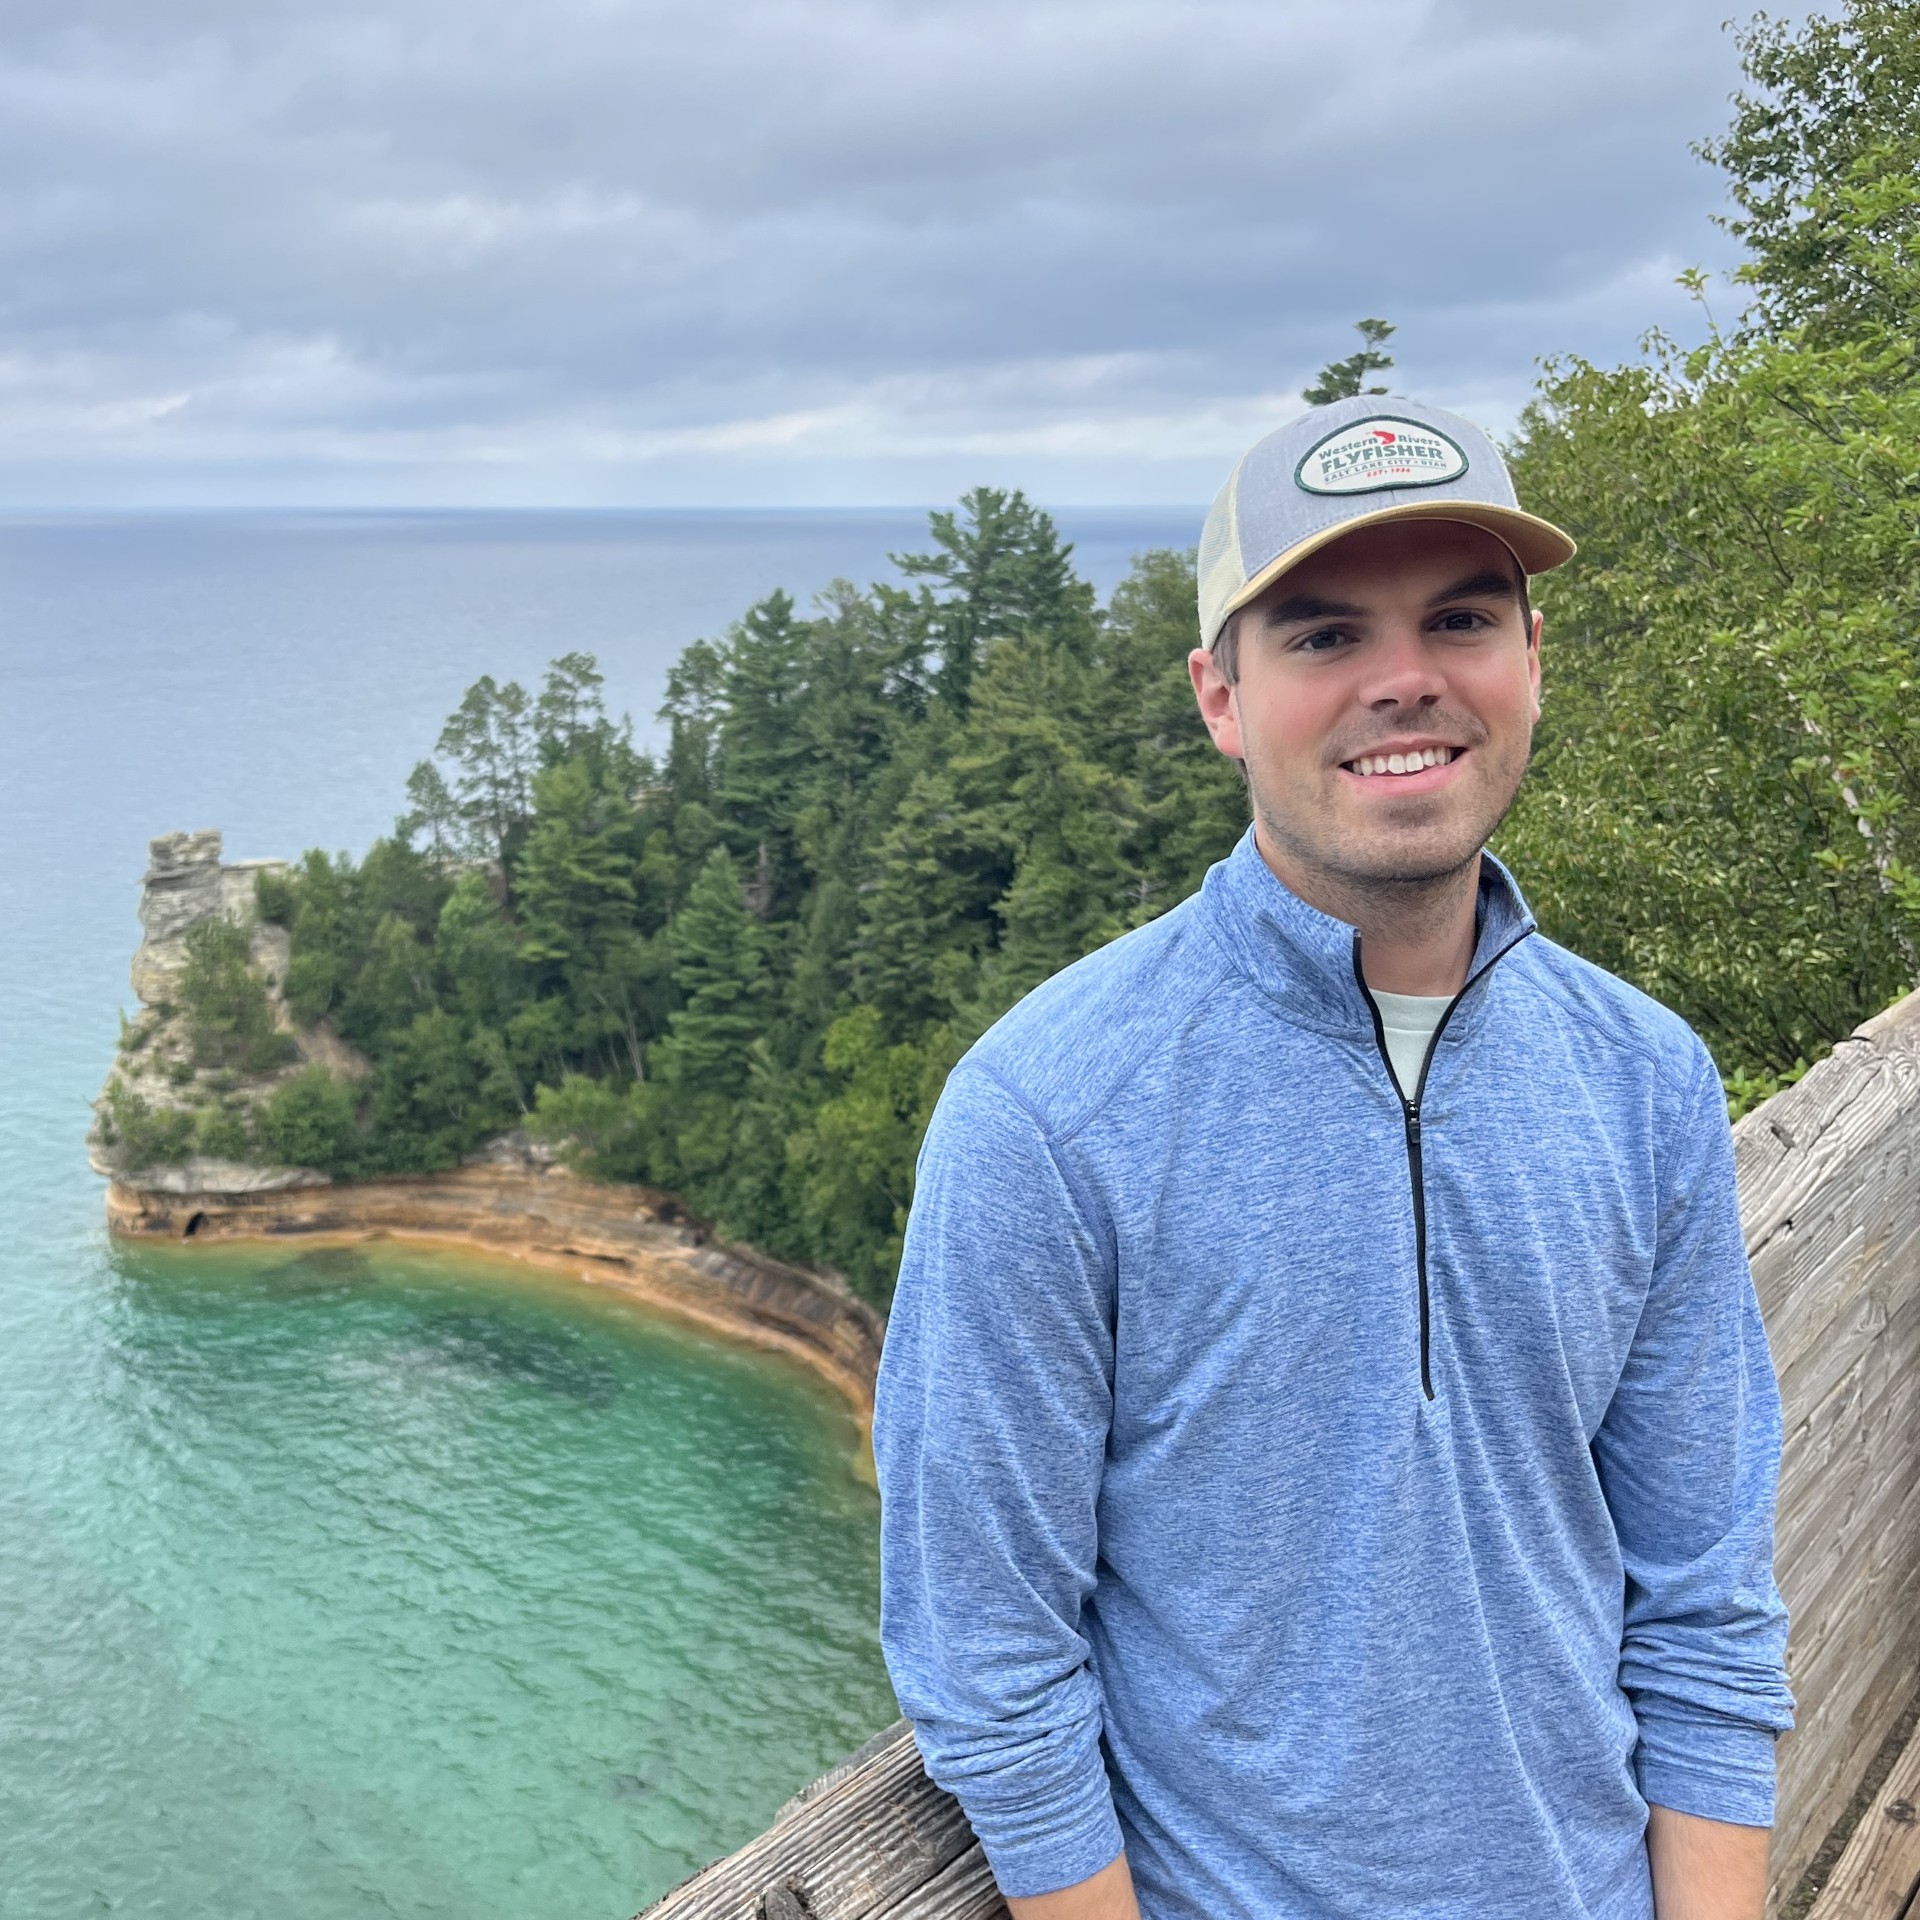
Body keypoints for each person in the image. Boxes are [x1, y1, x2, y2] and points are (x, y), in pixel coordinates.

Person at [871, 396, 1794, 1920]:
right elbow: (988, 1657)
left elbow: (1703, 1597)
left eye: (1460, 618)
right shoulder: (1045, 1113)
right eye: (1319, 636)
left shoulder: (1646, 1080)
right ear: (1218, 697)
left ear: (1532, 662)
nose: (1406, 681)